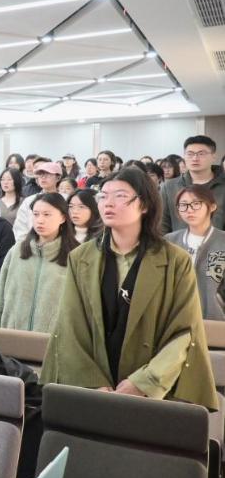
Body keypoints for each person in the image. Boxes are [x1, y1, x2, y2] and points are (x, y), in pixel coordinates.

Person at [42, 167, 216, 409]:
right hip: (92, 389)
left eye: (120, 196)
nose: (108, 203)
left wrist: (143, 383)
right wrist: (92, 382)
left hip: (151, 393)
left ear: (144, 205)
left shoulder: (175, 260)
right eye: (103, 196)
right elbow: (70, 324)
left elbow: (185, 331)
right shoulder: (81, 257)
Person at [0, 193, 78, 332]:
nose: (40, 220)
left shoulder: (75, 256)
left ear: (63, 217)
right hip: (11, 338)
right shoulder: (17, 251)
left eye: (47, 214)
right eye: (36, 214)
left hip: (54, 340)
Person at [166, 185, 225, 321]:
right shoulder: (169, 241)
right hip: (175, 320)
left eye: (196, 204)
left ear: (212, 206)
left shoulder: (222, 241)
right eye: (183, 205)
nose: (189, 209)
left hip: (214, 321)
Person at [160, 135, 225, 233]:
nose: (195, 158)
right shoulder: (169, 187)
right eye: (190, 154)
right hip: (178, 242)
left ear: (213, 157)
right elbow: (163, 224)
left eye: (201, 154)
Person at [12, 161, 62, 240]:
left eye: (48, 174)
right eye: (40, 175)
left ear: (58, 177)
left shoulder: (65, 199)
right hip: (32, 243)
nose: (43, 177)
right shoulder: (29, 201)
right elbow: (20, 228)